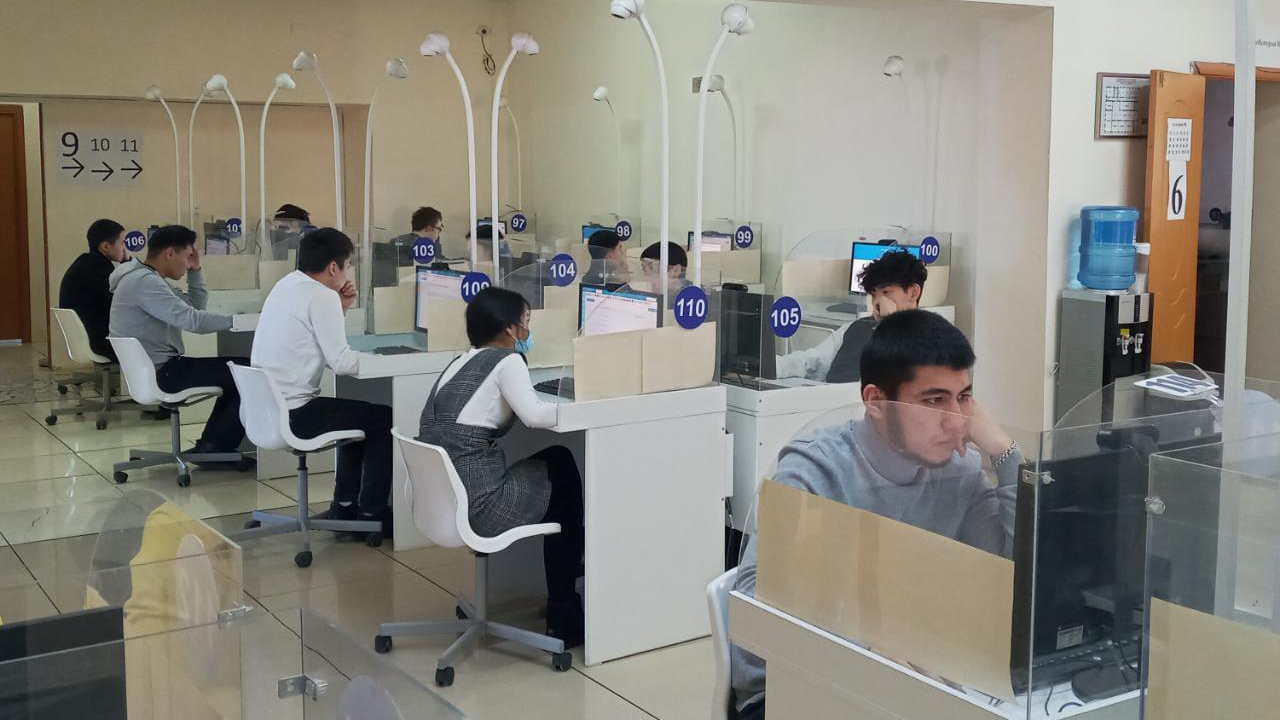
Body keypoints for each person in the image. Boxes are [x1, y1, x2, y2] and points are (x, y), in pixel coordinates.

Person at [729, 310, 1020, 719]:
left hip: (911, 683)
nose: (956, 421)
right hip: (792, 682)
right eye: (934, 400)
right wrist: (864, 648)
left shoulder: (960, 471)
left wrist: (1005, 453)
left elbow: (1009, 576)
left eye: (964, 397)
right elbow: (755, 596)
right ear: (876, 402)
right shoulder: (817, 467)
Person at [417, 286, 585, 645]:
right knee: (562, 466)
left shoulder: (460, 361)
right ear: (510, 328)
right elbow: (534, 415)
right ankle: (564, 612)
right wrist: (582, 406)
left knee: (553, 462)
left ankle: (569, 575)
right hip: (481, 506)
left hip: (442, 500)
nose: (527, 329)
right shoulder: (507, 361)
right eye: (525, 321)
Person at [251, 228, 393, 531]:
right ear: (332, 267)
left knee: (357, 415)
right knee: (382, 418)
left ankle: (346, 506)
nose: (349, 272)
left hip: (267, 411)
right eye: (348, 265)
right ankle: (372, 513)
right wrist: (389, 360)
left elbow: (317, 342)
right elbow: (340, 362)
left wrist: (341, 308)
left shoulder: (287, 284)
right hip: (296, 414)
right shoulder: (321, 295)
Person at [109, 225, 249, 459]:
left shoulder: (147, 278)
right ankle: (214, 449)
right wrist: (239, 320)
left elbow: (194, 307)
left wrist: (195, 270)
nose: (188, 263)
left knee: (240, 370)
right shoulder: (145, 282)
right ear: (170, 253)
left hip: (157, 368)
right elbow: (193, 321)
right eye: (187, 256)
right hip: (163, 372)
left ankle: (212, 447)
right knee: (247, 372)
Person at [776, 249, 927, 383]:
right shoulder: (856, 327)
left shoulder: (928, 338)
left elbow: (895, 384)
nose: (877, 302)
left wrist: (891, 324)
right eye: (874, 294)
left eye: (886, 292)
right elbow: (813, 361)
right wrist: (773, 366)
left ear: (913, 293)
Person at [59, 219, 128, 361]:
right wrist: (127, 263)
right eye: (122, 243)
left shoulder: (87, 263)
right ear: (105, 247)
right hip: (101, 341)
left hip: (91, 336)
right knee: (155, 342)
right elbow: (123, 302)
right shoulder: (98, 268)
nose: (125, 248)